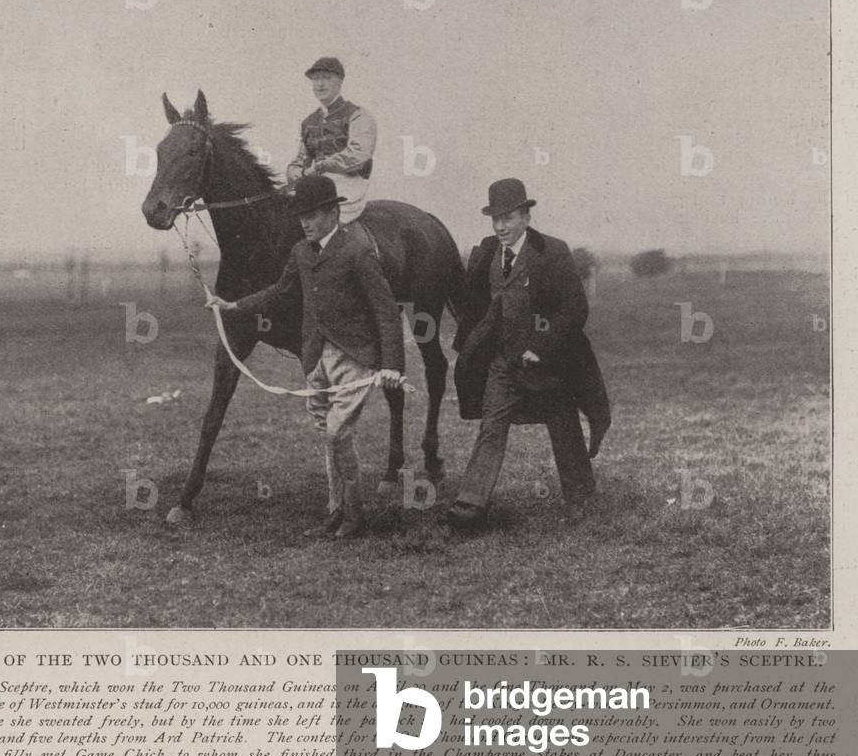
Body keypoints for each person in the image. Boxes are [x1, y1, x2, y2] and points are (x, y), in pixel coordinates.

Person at [207, 175, 405, 539]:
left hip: (354, 357)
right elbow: (278, 292)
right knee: (327, 434)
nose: (305, 222)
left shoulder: (357, 252)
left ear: (333, 212)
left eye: (313, 215)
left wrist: (391, 364)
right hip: (316, 357)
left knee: (336, 431)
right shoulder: (300, 252)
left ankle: (354, 515)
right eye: (301, 215)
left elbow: (386, 311)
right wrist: (233, 306)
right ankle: (335, 511)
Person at [446, 178, 611, 533]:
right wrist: (472, 345)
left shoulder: (551, 252)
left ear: (526, 217)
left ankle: (582, 502)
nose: (501, 226)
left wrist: (543, 346)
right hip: (503, 362)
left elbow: (574, 308)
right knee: (491, 428)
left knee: (564, 429)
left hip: (548, 365)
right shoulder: (489, 253)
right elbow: (475, 304)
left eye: (508, 218)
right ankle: (470, 508)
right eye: (495, 219)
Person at [286, 57, 376, 223]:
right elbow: (301, 158)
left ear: (340, 81)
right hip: (313, 184)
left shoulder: (358, 115)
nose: (320, 84)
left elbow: (358, 155)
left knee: (323, 219)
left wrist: (321, 166)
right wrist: (294, 172)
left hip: (347, 183)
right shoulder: (309, 121)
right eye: (316, 79)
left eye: (326, 78)